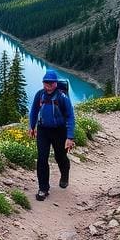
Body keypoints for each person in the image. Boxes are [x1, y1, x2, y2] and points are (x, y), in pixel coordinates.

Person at [28, 69, 75, 201]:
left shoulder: (62, 97)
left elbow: (70, 116)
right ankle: (43, 188)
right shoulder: (40, 94)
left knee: (60, 156)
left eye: (50, 82)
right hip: (43, 130)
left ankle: (64, 174)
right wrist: (32, 126)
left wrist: (70, 137)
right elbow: (34, 111)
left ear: (55, 83)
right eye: (45, 82)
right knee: (42, 159)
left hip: (59, 131)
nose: (48, 85)